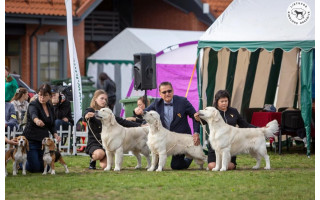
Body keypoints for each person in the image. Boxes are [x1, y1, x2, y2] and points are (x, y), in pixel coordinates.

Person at [194, 90, 256, 170]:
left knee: (230, 166)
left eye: (226, 101)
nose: (224, 103)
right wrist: (196, 119)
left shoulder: (233, 111)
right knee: (212, 166)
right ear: (217, 102)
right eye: (222, 101)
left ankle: (228, 163)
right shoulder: (212, 112)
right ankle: (216, 164)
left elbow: (244, 124)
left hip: (230, 146)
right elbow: (200, 122)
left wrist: (258, 129)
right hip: (214, 146)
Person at [145, 81, 200, 170]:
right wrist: (136, 112)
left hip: (180, 141)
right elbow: (145, 113)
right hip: (163, 139)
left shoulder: (183, 101)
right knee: (155, 166)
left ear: (173, 91)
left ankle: (189, 157)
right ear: (160, 94)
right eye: (164, 92)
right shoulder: (156, 103)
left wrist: (196, 133)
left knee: (176, 166)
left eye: (169, 91)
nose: (167, 94)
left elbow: (195, 117)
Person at [84, 89, 141, 169]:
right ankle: (93, 160)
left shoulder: (108, 112)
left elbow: (122, 121)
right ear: (95, 99)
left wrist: (140, 125)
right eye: (102, 98)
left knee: (104, 166)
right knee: (99, 154)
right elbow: (85, 115)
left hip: (108, 142)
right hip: (95, 142)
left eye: (105, 99)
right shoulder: (90, 110)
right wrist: (86, 116)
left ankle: (105, 158)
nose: (104, 101)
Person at [22, 84, 61, 173]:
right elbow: (33, 114)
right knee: (35, 168)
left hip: (43, 142)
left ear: (49, 96)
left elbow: (51, 124)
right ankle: (21, 163)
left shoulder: (50, 106)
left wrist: (55, 134)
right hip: (31, 141)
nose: (42, 97)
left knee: (45, 168)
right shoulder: (33, 104)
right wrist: (37, 121)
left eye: (45, 95)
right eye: (40, 95)